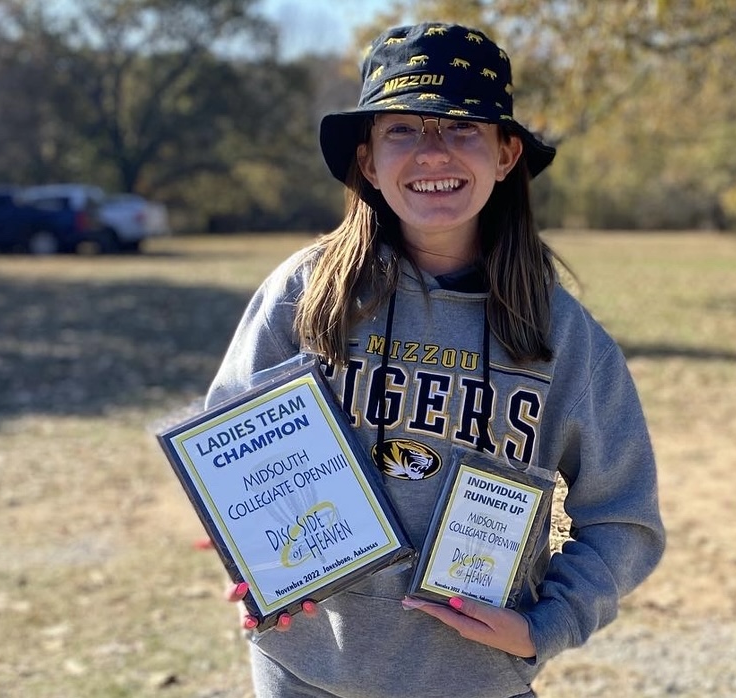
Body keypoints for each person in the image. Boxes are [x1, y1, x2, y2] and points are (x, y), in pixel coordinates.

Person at [205, 21, 665, 698]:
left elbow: (624, 515)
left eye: (462, 130)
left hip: (474, 679)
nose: (432, 153)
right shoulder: (305, 296)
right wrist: (254, 558)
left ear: (507, 155)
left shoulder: (559, 333)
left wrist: (546, 625)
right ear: (366, 159)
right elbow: (228, 459)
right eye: (404, 130)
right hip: (305, 670)